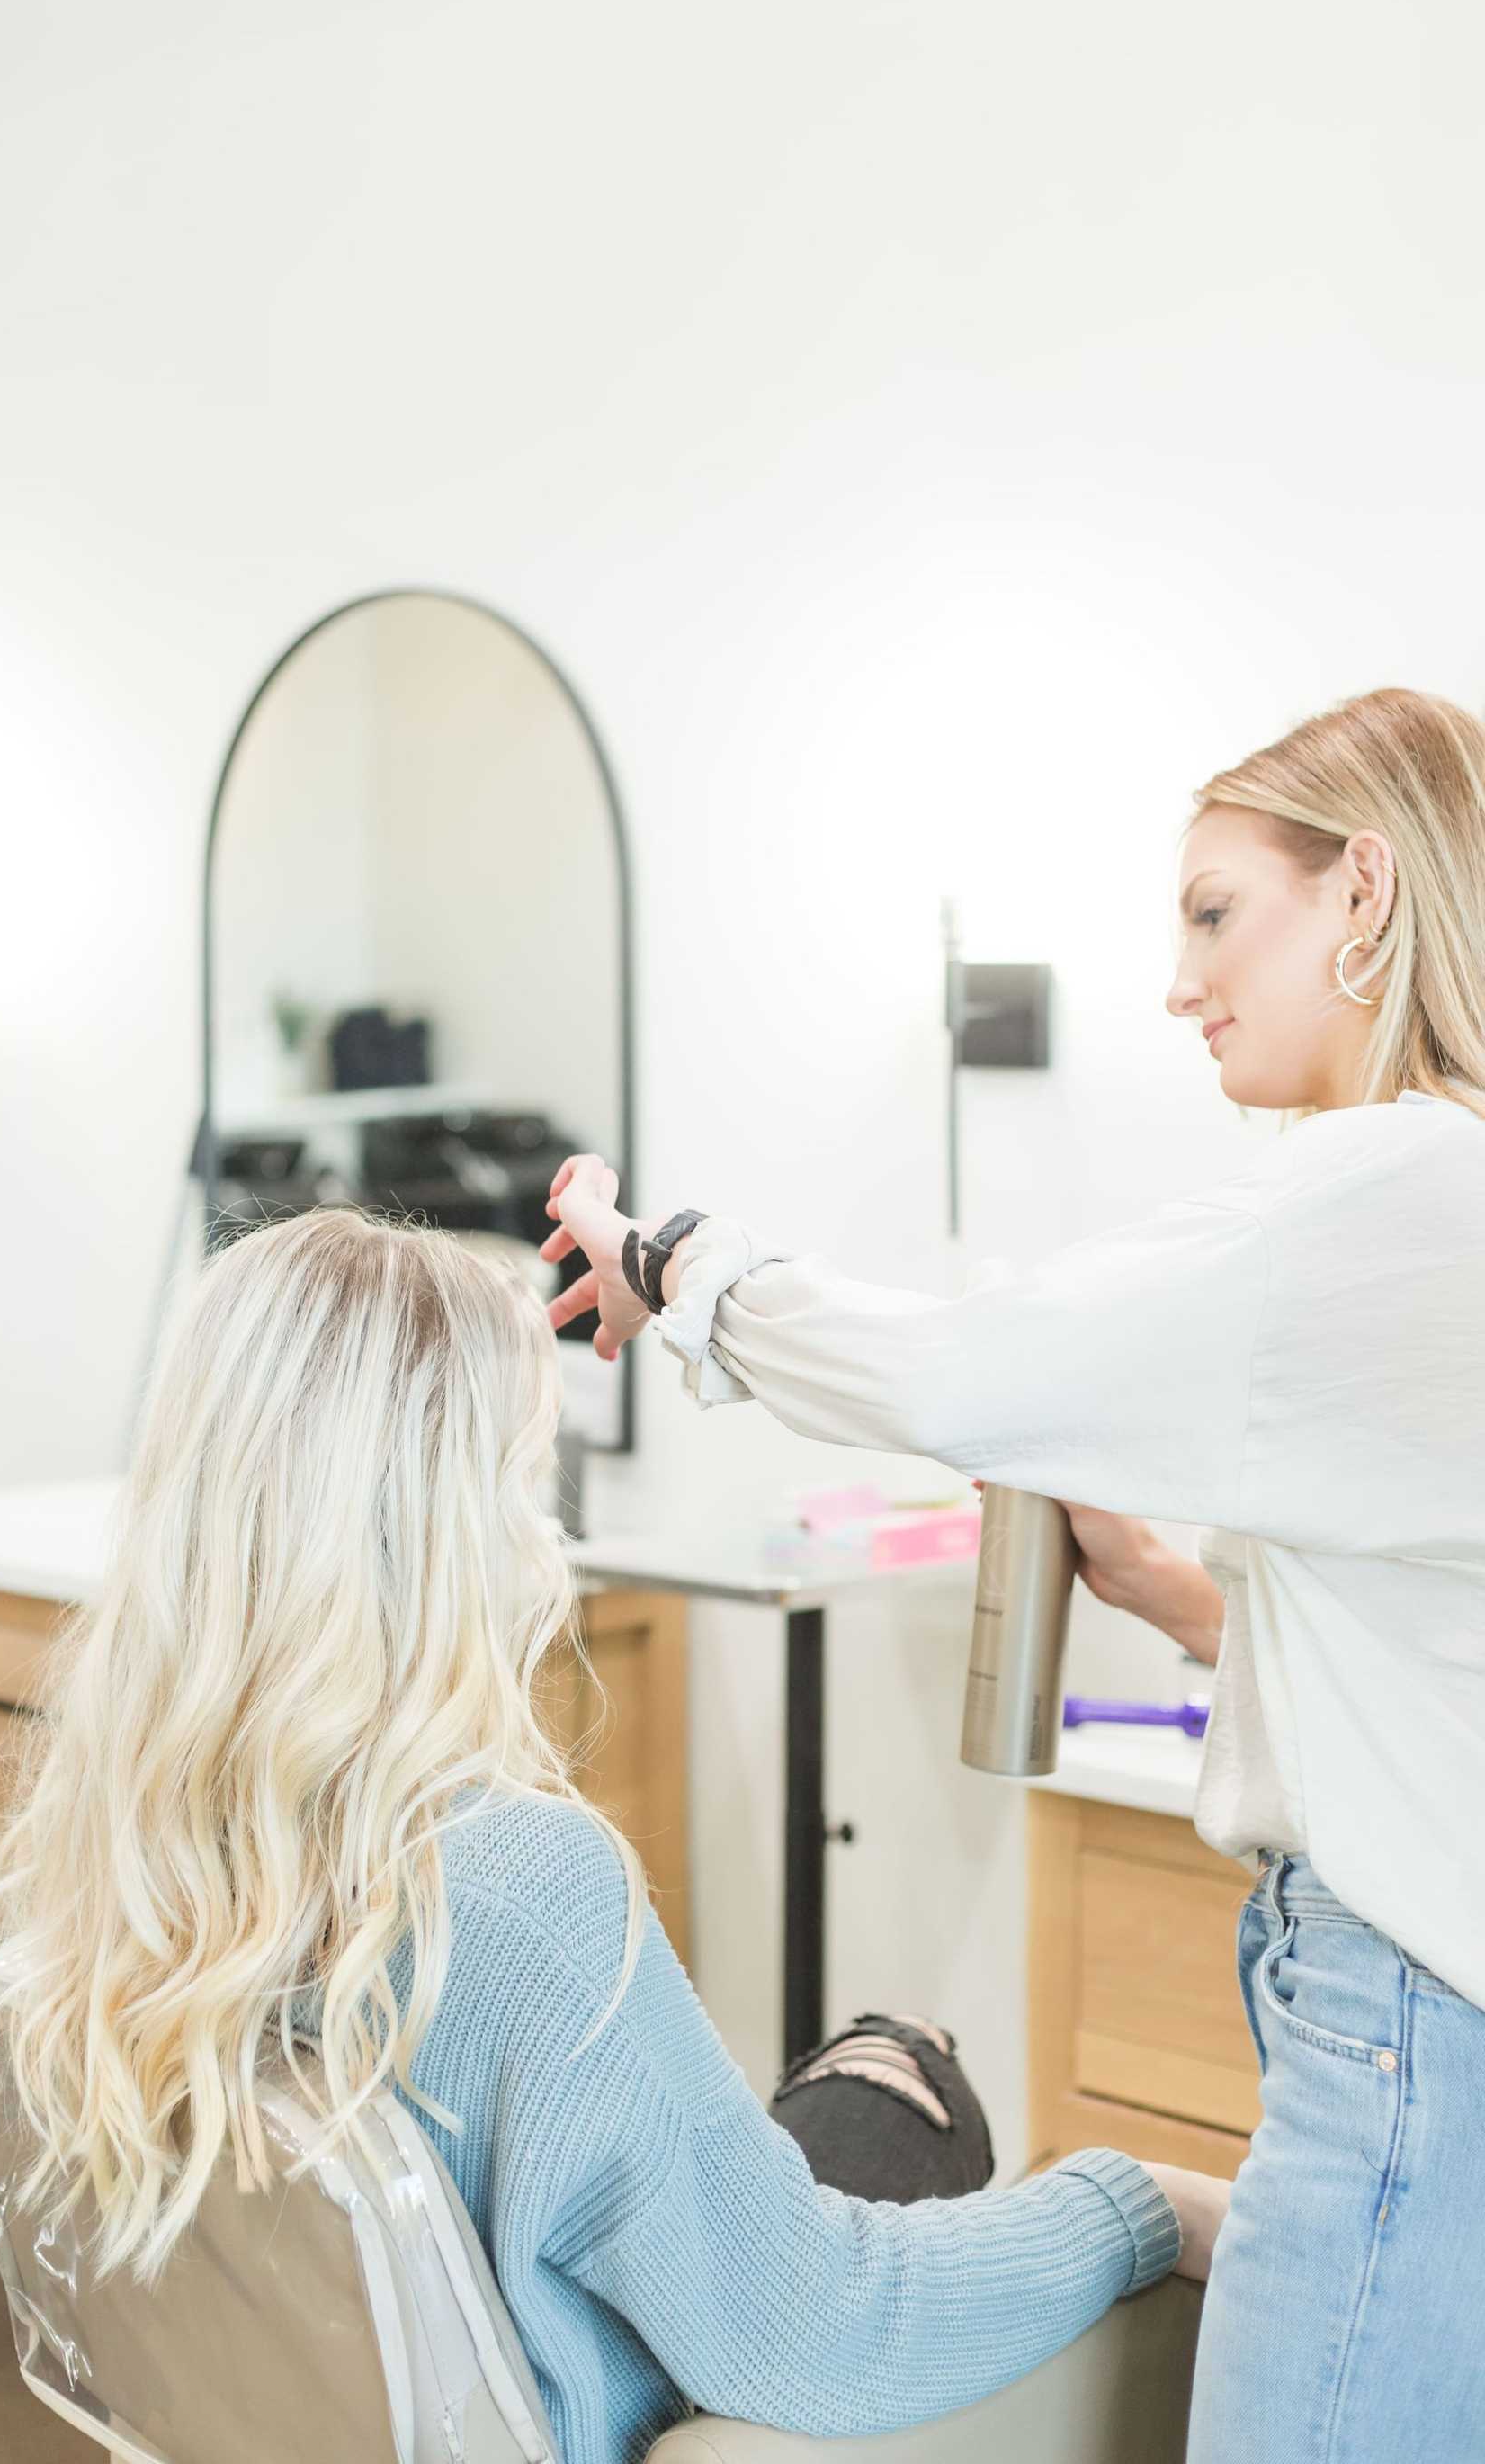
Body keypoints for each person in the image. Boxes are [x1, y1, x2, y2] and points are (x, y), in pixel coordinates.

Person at [541, 685, 1485, 2462]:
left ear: (1366, 890)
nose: (1181, 983)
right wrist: (1170, 1593)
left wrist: (679, 1263)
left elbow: (970, 1369)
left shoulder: (1401, 1182)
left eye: (1215, 913)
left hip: (1407, 2019)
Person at [0, 1209, 1219, 2464]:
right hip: (640, 2414)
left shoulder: (128, 1831)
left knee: (862, 2086)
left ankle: (885, 2061)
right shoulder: (513, 1887)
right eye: (527, 1475)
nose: (545, 1530)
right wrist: (1137, 2201)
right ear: (454, 1518)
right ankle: (907, 2060)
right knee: (919, 2087)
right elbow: (821, 2330)